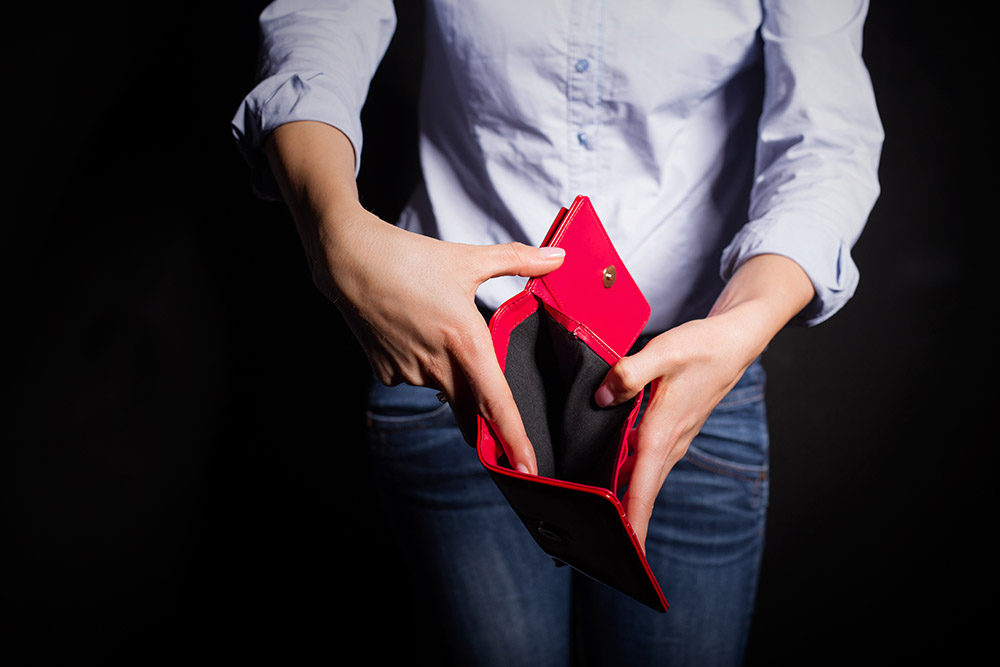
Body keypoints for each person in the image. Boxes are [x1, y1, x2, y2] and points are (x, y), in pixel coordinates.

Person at [231, 1, 882, 664]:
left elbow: (827, 139)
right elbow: (320, 16)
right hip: (456, 363)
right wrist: (333, 232)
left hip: (688, 384)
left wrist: (745, 324)